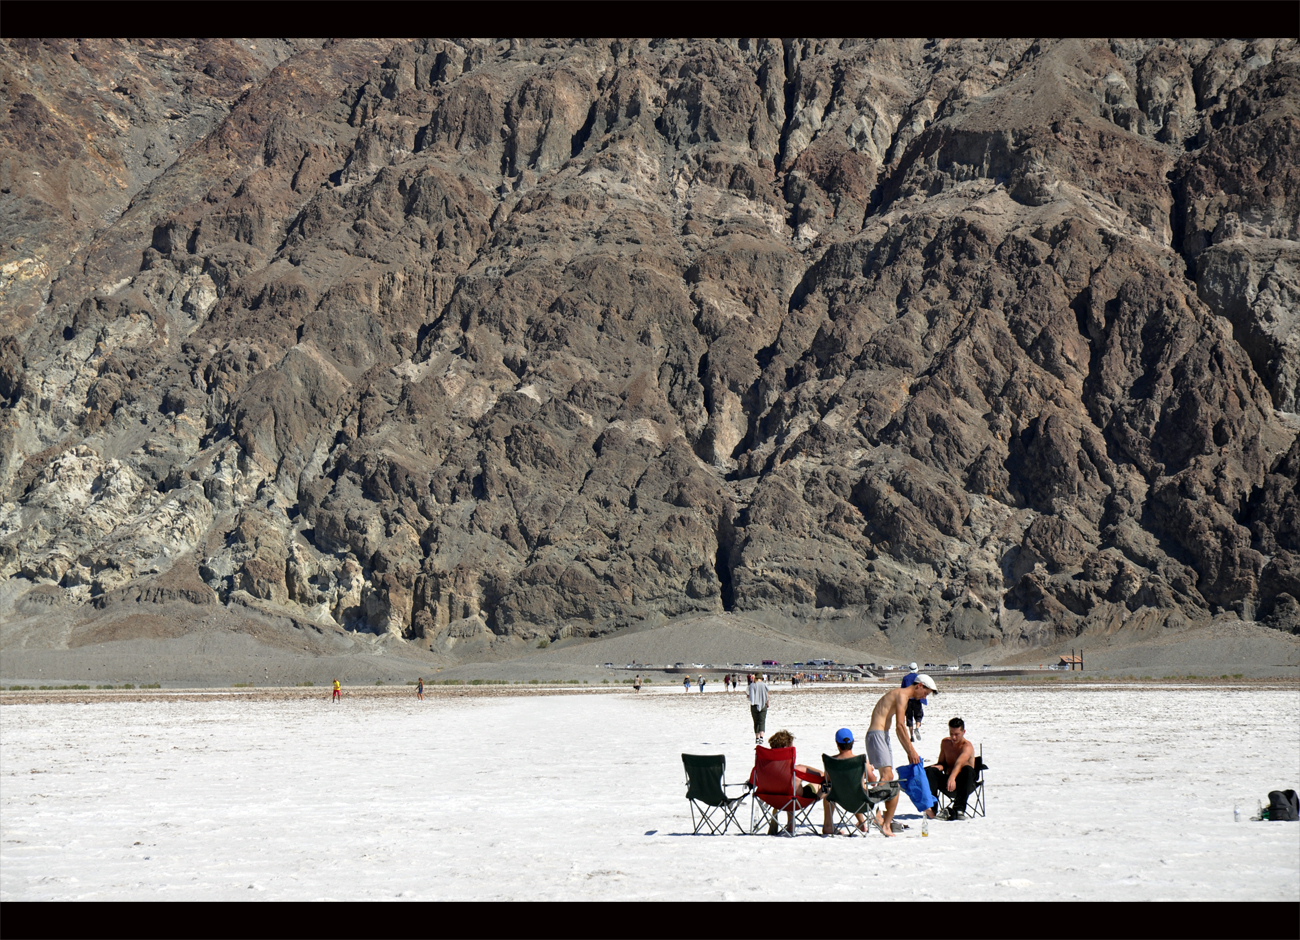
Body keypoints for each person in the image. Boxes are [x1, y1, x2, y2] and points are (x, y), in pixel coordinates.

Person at [865, 674, 937, 835]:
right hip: (877, 734)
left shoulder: (901, 695)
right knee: (887, 776)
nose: (924, 697)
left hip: (882, 735)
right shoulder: (902, 695)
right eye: (925, 693)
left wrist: (909, 750)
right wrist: (911, 751)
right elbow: (900, 726)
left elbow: (898, 729)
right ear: (919, 686)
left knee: (888, 777)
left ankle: (877, 815)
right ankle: (875, 816)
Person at [758, 729, 823, 835]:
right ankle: (828, 825)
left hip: (771, 800)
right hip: (794, 801)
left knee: (787, 785)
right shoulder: (796, 770)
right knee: (823, 785)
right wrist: (803, 766)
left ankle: (790, 823)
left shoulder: (762, 769)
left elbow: (752, 782)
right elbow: (821, 776)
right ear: (786, 749)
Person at [821, 728, 882, 836]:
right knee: (856, 786)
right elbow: (873, 782)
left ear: (837, 743)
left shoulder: (831, 761)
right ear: (853, 742)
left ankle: (828, 825)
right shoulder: (861, 761)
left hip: (840, 799)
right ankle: (862, 822)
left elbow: (828, 779)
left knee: (829, 793)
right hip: (860, 802)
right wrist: (867, 772)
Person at [925, 717, 977, 820]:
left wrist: (952, 778)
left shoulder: (967, 746)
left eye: (957, 734)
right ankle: (932, 808)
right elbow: (942, 762)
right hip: (948, 781)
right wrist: (940, 766)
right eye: (951, 733)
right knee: (930, 771)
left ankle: (959, 809)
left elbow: (959, 763)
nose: (953, 737)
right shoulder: (945, 743)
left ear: (963, 732)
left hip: (964, 782)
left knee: (968, 770)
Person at [900, 664, 923, 740]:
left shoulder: (905, 678)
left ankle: (912, 736)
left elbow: (902, 690)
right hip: (917, 699)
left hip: (908, 700)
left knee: (909, 717)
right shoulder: (919, 678)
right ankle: (917, 728)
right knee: (918, 716)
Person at [747, 673, 769, 745]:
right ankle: (761, 737)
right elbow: (767, 695)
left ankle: (757, 738)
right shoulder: (764, 685)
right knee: (762, 721)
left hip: (754, 705)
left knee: (756, 722)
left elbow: (748, 695)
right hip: (763, 705)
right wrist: (767, 703)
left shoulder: (752, 685)